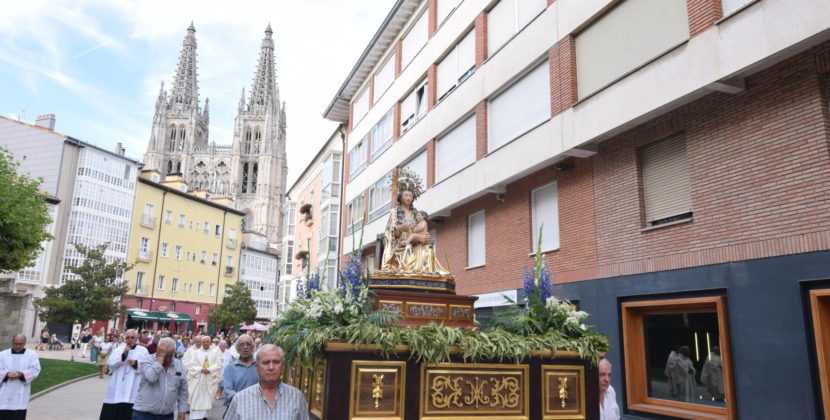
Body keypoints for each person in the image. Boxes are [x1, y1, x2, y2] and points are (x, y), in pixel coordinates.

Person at [377, 169, 450, 278]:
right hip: (400, 243)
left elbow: (421, 228)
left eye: (410, 196)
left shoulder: (416, 213)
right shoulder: (395, 212)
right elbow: (389, 231)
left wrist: (426, 236)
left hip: (416, 243)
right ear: (400, 197)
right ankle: (406, 271)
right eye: (406, 195)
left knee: (428, 251)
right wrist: (400, 228)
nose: (408, 198)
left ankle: (426, 275)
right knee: (408, 250)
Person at [223, 345, 308, 420]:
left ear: (283, 365)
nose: (271, 367)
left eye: (276, 362)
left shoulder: (296, 397)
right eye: (266, 362)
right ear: (256, 366)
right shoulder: (240, 399)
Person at [132, 337, 188, 420]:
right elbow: (151, 378)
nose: (168, 359)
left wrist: (182, 411)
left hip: (167, 415)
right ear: (158, 350)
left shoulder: (178, 364)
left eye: (170, 355)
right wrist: (160, 359)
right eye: (166, 355)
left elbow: (183, 390)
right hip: (144, 415)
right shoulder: (147, 360)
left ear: (173, 352)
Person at [99, 330, 149, 420]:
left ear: (137, 338)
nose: (130, 339)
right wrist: (122, 358)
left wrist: (136, 363)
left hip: (134, 386)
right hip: (118, 385)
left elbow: (147, 366)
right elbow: (110, 363)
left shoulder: (143, 350)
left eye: (132, 337)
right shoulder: (118, 350)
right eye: (127, 337)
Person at [0, 334, 41, 420]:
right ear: (12, 342)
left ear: (25, 343)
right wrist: (6, 374)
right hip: (4, 391)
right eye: (16, 343)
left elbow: (35, 369)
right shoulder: (3, 354)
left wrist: (22, 374)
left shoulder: (31, 355)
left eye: (20, 344)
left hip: (21, 391)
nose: (18, 346)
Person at [183, 336, 222, 419]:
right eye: (203, 342)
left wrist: (210, 369)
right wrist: (200, 369)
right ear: (201, 342)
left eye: (207, 341)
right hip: (198, 379)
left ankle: (204, 416)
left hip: (210, 379)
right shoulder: (196, 353)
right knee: (196, 398)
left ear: (210, 342)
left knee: (207, 398)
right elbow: (191, 365)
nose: (205, 343)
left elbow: (219, 364)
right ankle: (195, 417)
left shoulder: (215, 351)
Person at [222, 335, 258, 408]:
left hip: (256, 407)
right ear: (237, 349)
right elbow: (228, 390)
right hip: (235, 407)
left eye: (248, 344)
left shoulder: (260, 366)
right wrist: (243, 400)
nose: (245, 347)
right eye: (241, 345)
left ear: (252, 347)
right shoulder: (230, 368)